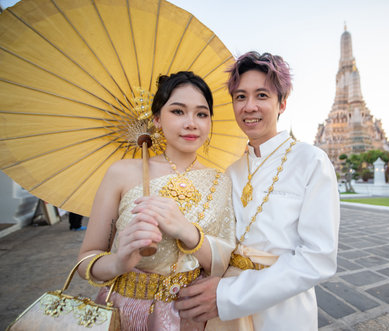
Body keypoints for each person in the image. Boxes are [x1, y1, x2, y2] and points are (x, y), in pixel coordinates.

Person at [175, 52, 340, 330]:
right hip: (222, 305)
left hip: (281, 309)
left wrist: (229, 296)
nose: (249, 106)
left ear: (282, 103)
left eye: (261, 95)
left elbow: (318, 258)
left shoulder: (310, 161)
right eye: (240, 97)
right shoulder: (231, 171)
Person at [77, 71, 236, 330]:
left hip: (191, 315)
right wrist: (119, 262)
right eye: (177, 111)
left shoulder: (222, 181)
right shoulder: (122, 173)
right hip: (126, 311)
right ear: (157, 119)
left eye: (201, 114)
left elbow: (223, 262)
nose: (191, 123)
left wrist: (187, 232)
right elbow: (86, 259)